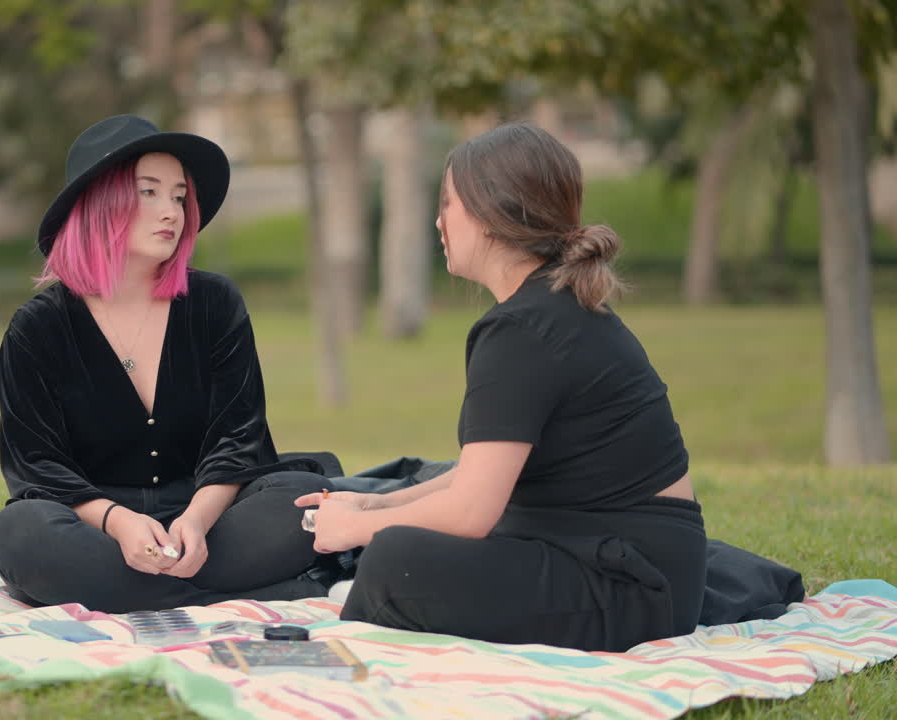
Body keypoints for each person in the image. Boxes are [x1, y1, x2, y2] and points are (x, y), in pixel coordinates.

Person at [297, 122, 707, 652]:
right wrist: (372, 504)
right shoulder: (548, 308)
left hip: (629, 587)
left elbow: (471, 513)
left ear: (489, 216)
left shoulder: (524, 328)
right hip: (632, 565)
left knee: (396, 564)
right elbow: (477, 477)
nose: (438, 221)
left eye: (447, 204)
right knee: (400, 540)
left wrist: (353, 530)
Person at [0, 114, 328, 613]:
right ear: (101, 203)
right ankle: (252, 594)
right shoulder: (37, 328)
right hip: (96, 528)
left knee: (305, 498)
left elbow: (239, 438)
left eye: (178, 196)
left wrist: (195, 521)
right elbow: (36, 466)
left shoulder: (215, 303)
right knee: (18, 534)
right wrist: (120, 522)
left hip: (210, 516)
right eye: (149, 192)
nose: (171, 211)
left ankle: (134, 593)